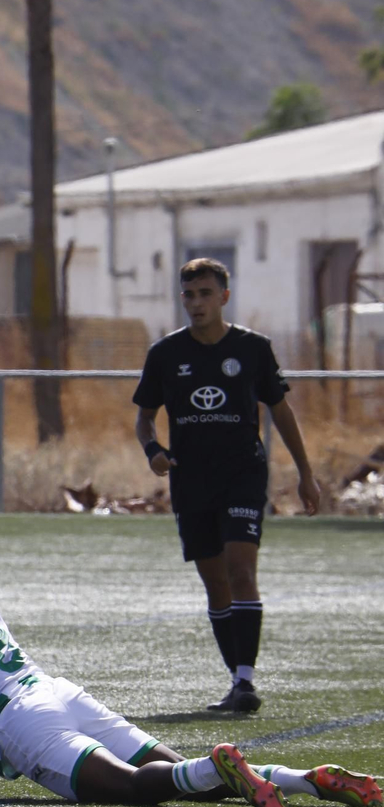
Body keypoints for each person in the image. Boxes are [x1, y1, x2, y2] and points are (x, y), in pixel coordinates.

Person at [0, 542, 379, 807]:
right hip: (55, 693)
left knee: (134, 789)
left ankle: (226, 764)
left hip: (25, 719)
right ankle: (305, 781)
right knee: (187, 778)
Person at [134, 257, 320, 714]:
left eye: (205, 294)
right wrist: (153, 450)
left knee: (241, 569)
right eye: (189, 295)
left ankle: (246, 678)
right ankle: (235, 680)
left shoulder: (253, 348)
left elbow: (281, 410)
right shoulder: (165, 354)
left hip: (243, 474)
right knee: (215, 581)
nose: (196, 303)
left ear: (224, 297)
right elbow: (143, 417)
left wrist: (305, 472)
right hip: (191, 479)